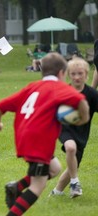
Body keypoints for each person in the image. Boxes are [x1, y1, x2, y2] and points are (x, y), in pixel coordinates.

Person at [0, 52, 89, 216]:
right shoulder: (59, 87)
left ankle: (16, 188)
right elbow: (81, 101)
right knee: (38, 186)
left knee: (54, 168)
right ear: (61, 73)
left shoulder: (32, 87)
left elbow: (1, 105)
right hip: (38, 141)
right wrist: (82, 119)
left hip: (24, 137)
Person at [49, 57, 98, 198]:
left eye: (80, 74)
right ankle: (75, 183)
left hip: (82, 133)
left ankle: (57, 191)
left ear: (86, 75)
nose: (76, 77)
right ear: (68, 75)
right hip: (64, 129)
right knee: (70, 147)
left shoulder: (92, 94)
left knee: (74, 165)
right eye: (73, 74)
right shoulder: (62, 92)